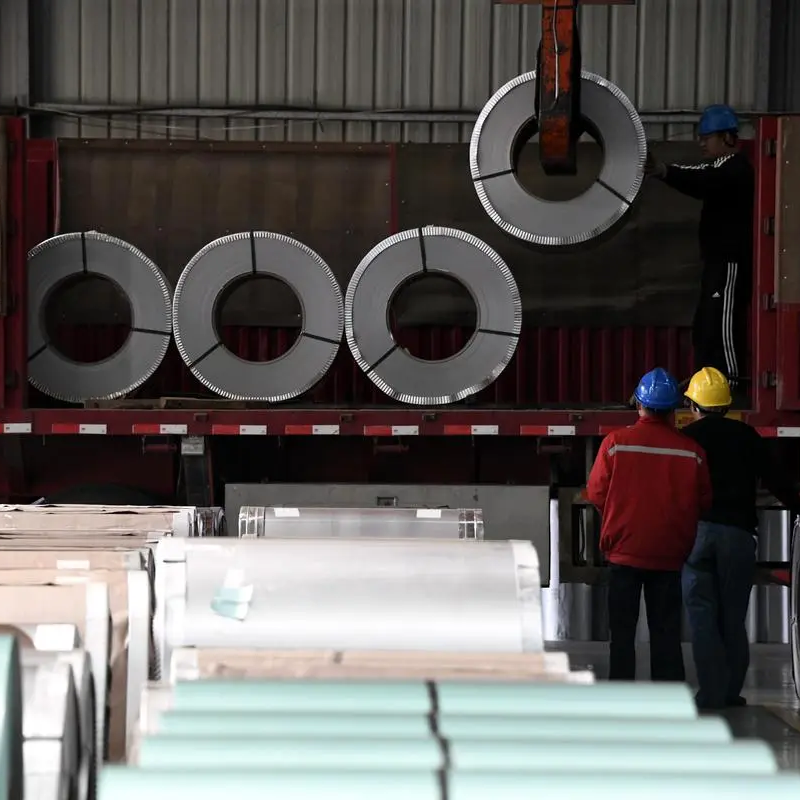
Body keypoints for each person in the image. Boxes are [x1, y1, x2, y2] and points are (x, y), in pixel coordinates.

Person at [681, 366, 800, 709]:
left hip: (698, 534)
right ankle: (731, 692)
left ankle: (710, 693)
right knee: (732, 618)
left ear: (694, 405)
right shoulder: (747, 436)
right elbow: (778, 481)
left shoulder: (687, 439)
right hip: (738, 536)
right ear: (726, 404)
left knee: (702, 617)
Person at [586, 367, 712, 682]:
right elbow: (703, 501)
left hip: (624, 553)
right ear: (674, 410)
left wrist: (619, 518)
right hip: (668, 556)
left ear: (639, 405)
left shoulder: (615, 443)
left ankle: (623, 694)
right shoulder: (692, 452)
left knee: (622, 634)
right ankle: (667, 696)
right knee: (666, 633)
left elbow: (596, 493)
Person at [646, 105, 754, 392]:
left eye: (707, 137)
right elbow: (701, 178)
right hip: (716, 262)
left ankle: (730, 383)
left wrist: (664, 171)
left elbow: (702, 178)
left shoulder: (734, 168)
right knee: (707, 324)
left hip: (729, 263)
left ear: (727, 138)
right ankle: (708, 382)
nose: (701, 143)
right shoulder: (723, 170)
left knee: (723, 323)